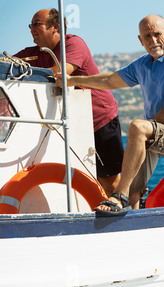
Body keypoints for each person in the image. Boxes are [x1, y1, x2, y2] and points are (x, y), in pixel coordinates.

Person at [57, 14, 164, 214]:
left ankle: (118, 196)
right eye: (147, 36)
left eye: (158, 34)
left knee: (137, 127)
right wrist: (72, 81)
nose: (153, 41)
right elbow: (110, 80)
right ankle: (130, 218)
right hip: (154, 131)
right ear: (140, 40)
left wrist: (147, 131)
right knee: (134, 190)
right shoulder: (143, 64)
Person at [14, 8, 124, 197]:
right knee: (85, 178)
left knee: (109, 180)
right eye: (30, 25)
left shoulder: (73, 44)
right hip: (72, 125)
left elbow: (60, 73)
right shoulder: (33, 53)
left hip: (100, 120)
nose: (31, 29)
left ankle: (128, 214)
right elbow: (7, 63)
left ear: (55, 27)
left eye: (36, 24)